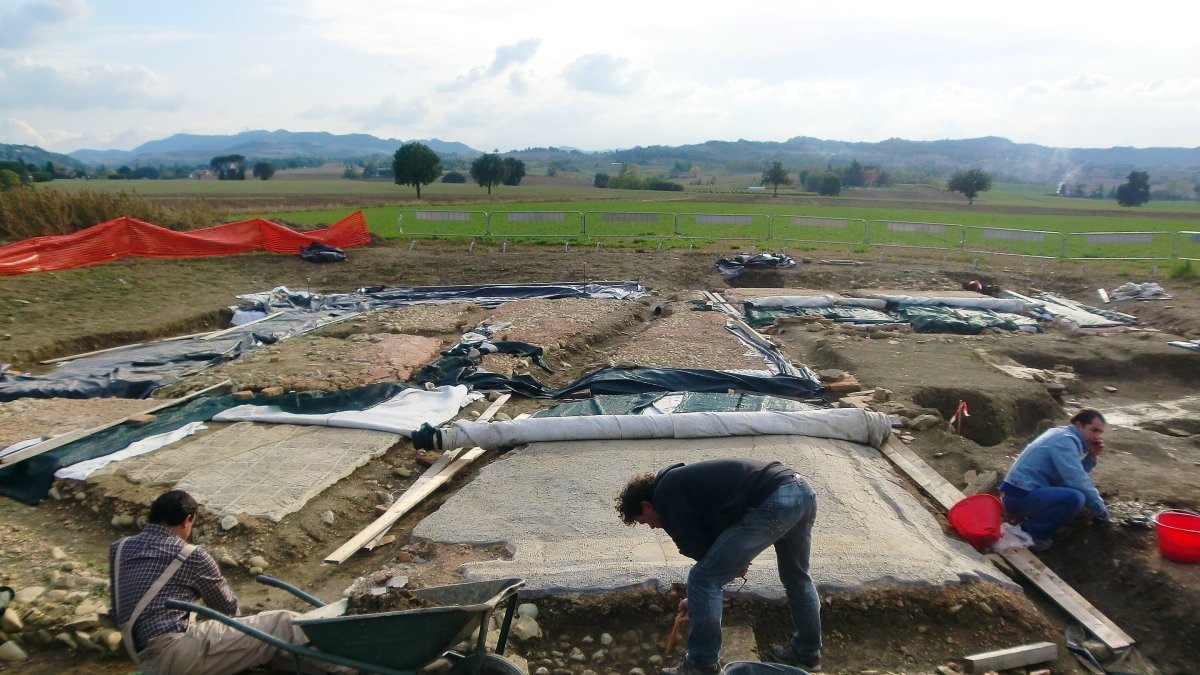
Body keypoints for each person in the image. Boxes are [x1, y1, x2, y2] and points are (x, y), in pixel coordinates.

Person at [616, 459, 822, 674]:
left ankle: (700, 665)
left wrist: (704, 591)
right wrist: (701, 597)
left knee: (702, 579)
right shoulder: (681, 486)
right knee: (797, 577)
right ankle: (807, 654)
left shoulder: (665, 495)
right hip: (801, 491)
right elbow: (716, 547)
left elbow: (694, 547)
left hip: (776, 498)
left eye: (643, 521)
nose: (651, 526)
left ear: (645, 505)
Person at [108, 489, 343, 675]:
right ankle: (352, 667)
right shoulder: (190, 555)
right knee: (281, 623)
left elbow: (120, 606)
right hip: (173, 656)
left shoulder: (119, 548)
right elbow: (228, 609)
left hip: (140, 653)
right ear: (187, 520)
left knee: (268, 647)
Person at [1000, 408, 1110, 552]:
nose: (1097, 437)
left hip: (1022, 493)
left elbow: (1067, 476)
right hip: (1018, 496)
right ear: (1078, 425)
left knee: (1074, 493)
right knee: (1075, 498)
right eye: (1094, 430)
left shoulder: (1064, 435)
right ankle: (1028, 533)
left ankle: (1024, 524)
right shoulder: (1065, 441)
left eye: (1100, 433)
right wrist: (1100, 509)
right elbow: (1077, 479)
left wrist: (1091, 457)